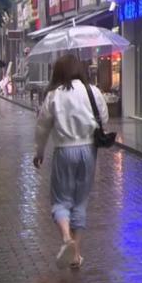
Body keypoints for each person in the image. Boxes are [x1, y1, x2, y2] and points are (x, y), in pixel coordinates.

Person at [33, 54, 108, 270]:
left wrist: (39, 152)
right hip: (88, 149)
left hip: (64, 150)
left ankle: (67, 239)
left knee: (60, 200)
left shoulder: (54, 95)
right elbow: (103, 118)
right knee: (80, 201)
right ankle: (76, 255)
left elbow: (42, 127)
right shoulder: (92, 91)